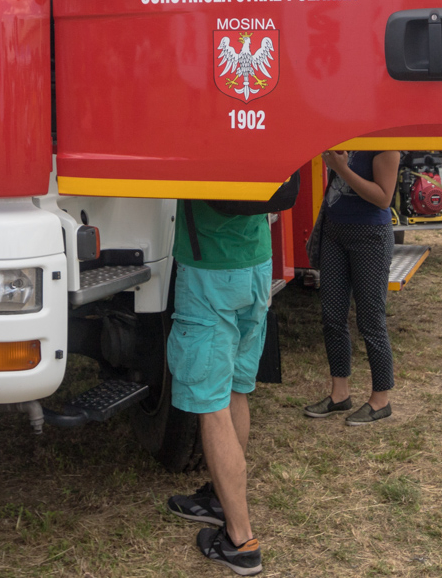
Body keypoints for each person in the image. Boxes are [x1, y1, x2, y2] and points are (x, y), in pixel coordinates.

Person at [162, 181, 291, 576]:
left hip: (210, 275)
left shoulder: (204, 127)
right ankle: (221, 500)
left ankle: (241, 540)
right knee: (237, 390)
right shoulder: (256, 122)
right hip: (256, 263)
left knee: (211, 406)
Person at [304, 148, 400, 425]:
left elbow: (383, 198)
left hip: (370, 236)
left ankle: (380, 400)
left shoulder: (386, 144)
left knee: (371, 320)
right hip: (335, 231)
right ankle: (339, 394)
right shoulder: (344, 135)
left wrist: (342, 168)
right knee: (332, 316)